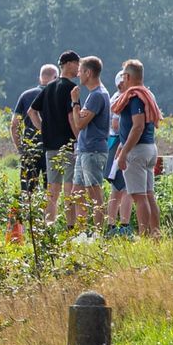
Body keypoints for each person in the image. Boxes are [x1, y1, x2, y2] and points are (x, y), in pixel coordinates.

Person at [111, 59, 162, 238]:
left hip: (137, 150)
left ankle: (144, 235)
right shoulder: (148, 94)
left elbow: (137, 126)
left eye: (124, 76)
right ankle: (156, 233)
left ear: (128, 76)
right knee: (148, 195)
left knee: (138, 197)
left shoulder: (134, 96)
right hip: (149, 147)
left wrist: (124, 152)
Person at [30, 51, 81, 221]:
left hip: (50, 146)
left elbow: (32, 112)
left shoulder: (49, 87)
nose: (78, 67)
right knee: (69, 188)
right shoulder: (71, 89)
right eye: (76, 63)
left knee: (52, 191)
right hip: (68, 145)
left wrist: (44, 130)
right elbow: (71, 117)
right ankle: (70, 226)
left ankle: (48, 226)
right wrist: (80, 140)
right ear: (67, 64)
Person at [67, 56, 112, 229]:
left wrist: (75, 101)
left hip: (93, 151)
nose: (78, 74)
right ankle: (82, 231)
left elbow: (79, 123)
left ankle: (98, 232)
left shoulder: (97, 96)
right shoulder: (96, 94)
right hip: (84, 150)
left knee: (94, 192)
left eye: (80, 71)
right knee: (77, 193)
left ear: (88, 72)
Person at [13, 65, 58, 195]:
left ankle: (29, 215)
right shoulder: (57, 95)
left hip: (29, 148)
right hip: (51, 149)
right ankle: (48, 216)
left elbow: (14, 125)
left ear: (40, 78)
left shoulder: (25, 95)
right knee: (50, 192)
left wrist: (20, 148)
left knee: (27, 191)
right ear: (55, 78)